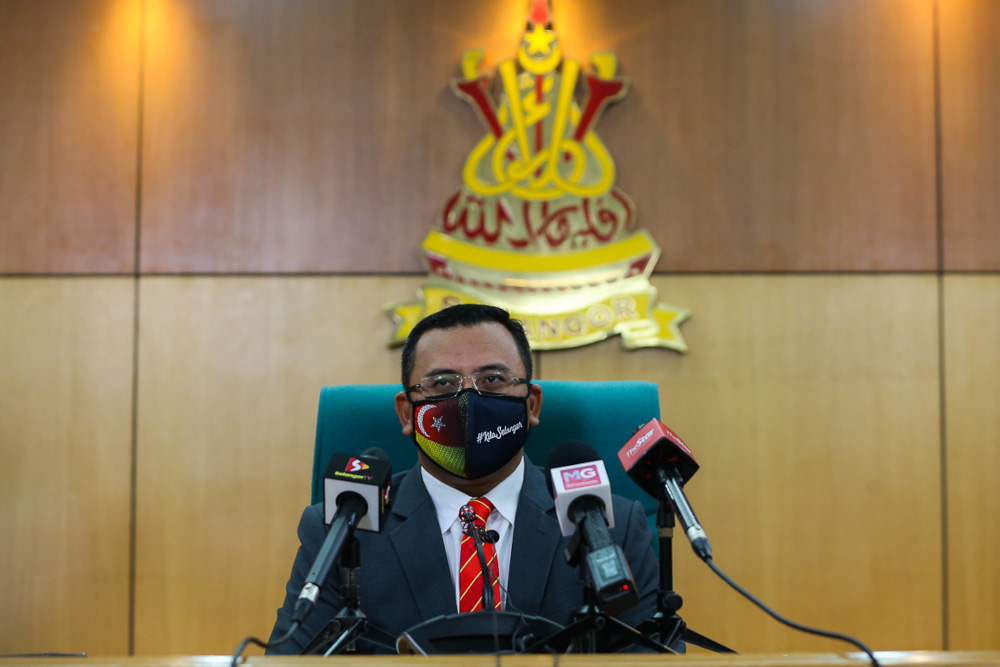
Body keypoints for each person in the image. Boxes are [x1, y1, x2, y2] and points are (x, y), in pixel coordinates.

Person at [267, 304, 659, 654]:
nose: (469, 400)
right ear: (407, 414)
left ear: (532, 404)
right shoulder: (344, 529)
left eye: (492, 379)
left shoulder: (610, 525)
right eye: (443, 383)